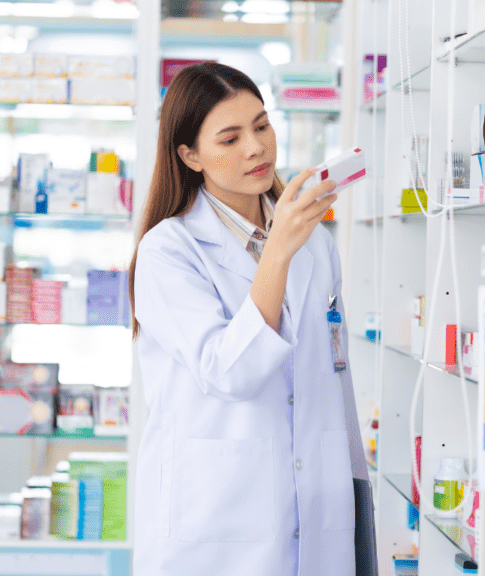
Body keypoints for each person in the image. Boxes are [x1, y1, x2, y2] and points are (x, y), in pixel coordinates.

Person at [129, 62, 368, 576]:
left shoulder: (316, 244)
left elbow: (333, 383)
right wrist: (277, 252)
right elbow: (229, 370)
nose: (256, 148)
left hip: (318, 518)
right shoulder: (169, 250)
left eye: (261, 126)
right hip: (216, 530)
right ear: (190, 155)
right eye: (230, 138)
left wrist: (355, 497)